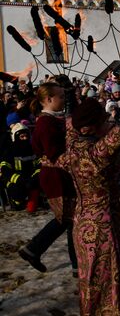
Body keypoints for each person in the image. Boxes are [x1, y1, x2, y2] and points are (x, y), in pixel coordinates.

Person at [53, 76, 120, 315]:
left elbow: (71, 119)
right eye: (105, 120)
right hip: (102, 229)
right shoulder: (97, 153)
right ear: (92, 127)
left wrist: (69, 93)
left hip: (82, 225)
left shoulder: (73, 145)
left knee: (92, 281)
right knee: (108, 280)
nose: (109, 123)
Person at [18, 81, 78, 276]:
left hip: (61, 175)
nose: (63, 99)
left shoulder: (53, 119)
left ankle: (35, 250)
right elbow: (53, 151)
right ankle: (35, 249)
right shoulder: (46, 122)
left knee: (70, 220)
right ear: (48, 99)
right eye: (60, 96)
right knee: (68, 219)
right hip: (55, 176)